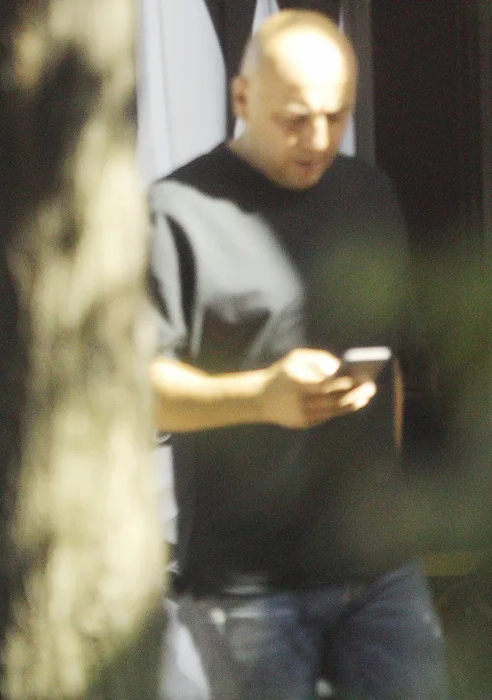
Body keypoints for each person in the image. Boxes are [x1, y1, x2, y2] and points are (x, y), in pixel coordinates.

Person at [147, 11, 449, 700]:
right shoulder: (177, 210)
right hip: (247, 584)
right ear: (242, 97)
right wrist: (261, 396)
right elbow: (142, 391)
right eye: (295, 119)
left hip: (377, 567)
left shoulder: (368, 192)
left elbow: (393, 358)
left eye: (337, 117)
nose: (318, 139)